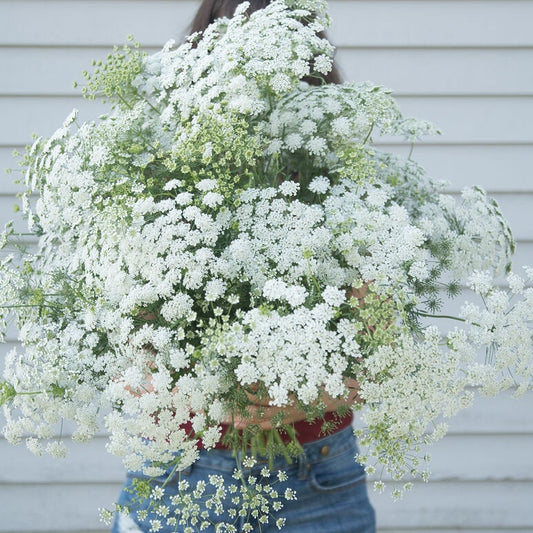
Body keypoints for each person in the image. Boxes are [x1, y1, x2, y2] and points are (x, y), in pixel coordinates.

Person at [112, 1, 376, 531]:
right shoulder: (149, 179)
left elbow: (374, 353)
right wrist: (206, 392)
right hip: (183, 473)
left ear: (307, 67)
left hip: (317, 476)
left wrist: (292, 399)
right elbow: (124, 350)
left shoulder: (350, 191)